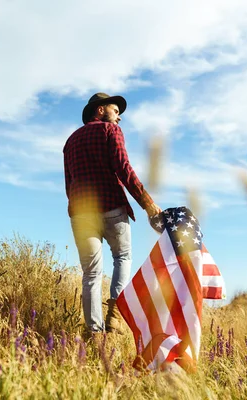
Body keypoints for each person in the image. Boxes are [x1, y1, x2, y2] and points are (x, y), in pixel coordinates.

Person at [63, 92, 162, 335]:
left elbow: (69, 183)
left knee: (91, 274)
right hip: (111, 206)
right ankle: (114, 317)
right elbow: (123, 168)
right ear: (100, 110)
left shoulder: (70, 141)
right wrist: (148, 204)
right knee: (123, 256)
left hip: (81, 212)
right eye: (115, 111)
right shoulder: (110, 131)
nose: (118, 118)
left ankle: (94, 333)